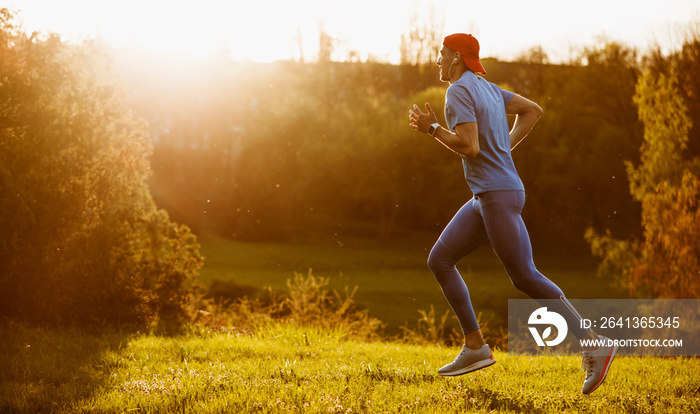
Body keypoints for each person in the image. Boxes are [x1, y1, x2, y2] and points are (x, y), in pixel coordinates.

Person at [408, 33, 616, 394]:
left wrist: (432, 129)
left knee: (524, 276)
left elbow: (470, 147)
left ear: (456, 57)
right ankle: (475, 346)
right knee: (440, 259)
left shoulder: (457, 91)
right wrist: (503, 149)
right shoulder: (487, 88)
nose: (437, 61)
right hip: (490, 193)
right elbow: (532, 109)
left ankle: (593, 341)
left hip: (496, 195)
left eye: (441, 54)